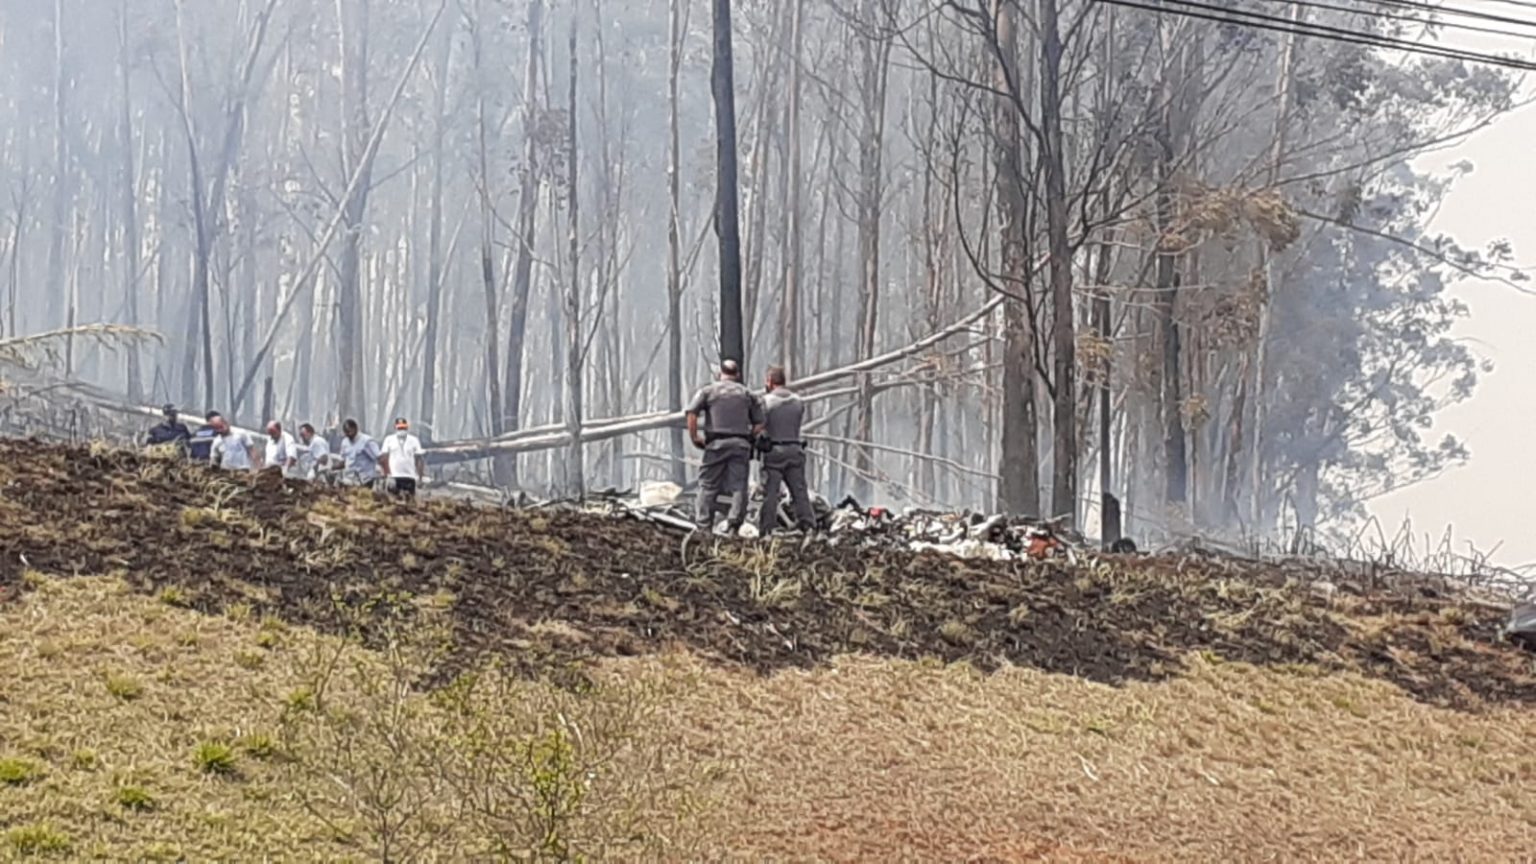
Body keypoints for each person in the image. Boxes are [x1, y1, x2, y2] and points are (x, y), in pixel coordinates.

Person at [686, 359, 764, 533]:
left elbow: (691, 413)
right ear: (737, 375)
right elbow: (760, 423)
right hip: (740, 445)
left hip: (715, 444)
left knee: (708, 484)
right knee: (738, 486)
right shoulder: (747, 394)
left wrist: (695, 437)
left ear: (720, 373)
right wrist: (749, 438)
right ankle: (734, 525)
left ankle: (704, 527)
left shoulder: (708, 391)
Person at [755, 365, 817, 537]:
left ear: (769, 381)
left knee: (770, 493)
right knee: (799, 491)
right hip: (795, 449)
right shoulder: (798, 401)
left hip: (774, 451)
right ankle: (809, 525)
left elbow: (759, 426)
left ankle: (767, 529)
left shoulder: (765, 402)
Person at [379, 417, 426, 499]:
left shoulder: (414, 440)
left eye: (403, 428)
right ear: (395, 428)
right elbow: (384, 458)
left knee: (410, 502)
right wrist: (387, 475)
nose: (402, 430)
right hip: (394, 476)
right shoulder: (389, 440)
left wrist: (420, 477)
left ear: (407, 428)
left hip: (409, 476)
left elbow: (419, 459)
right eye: (399, 428)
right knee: (393, 501)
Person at [338, 418, 381, 488]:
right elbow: (343, 460)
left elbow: (378, 458)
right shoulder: (345, 442)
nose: (348, 434)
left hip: (366, 479)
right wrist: (332, 468)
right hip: (350, 478)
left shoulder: (367, 441)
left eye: (349, 431)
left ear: (355, 429)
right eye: (346, 432)